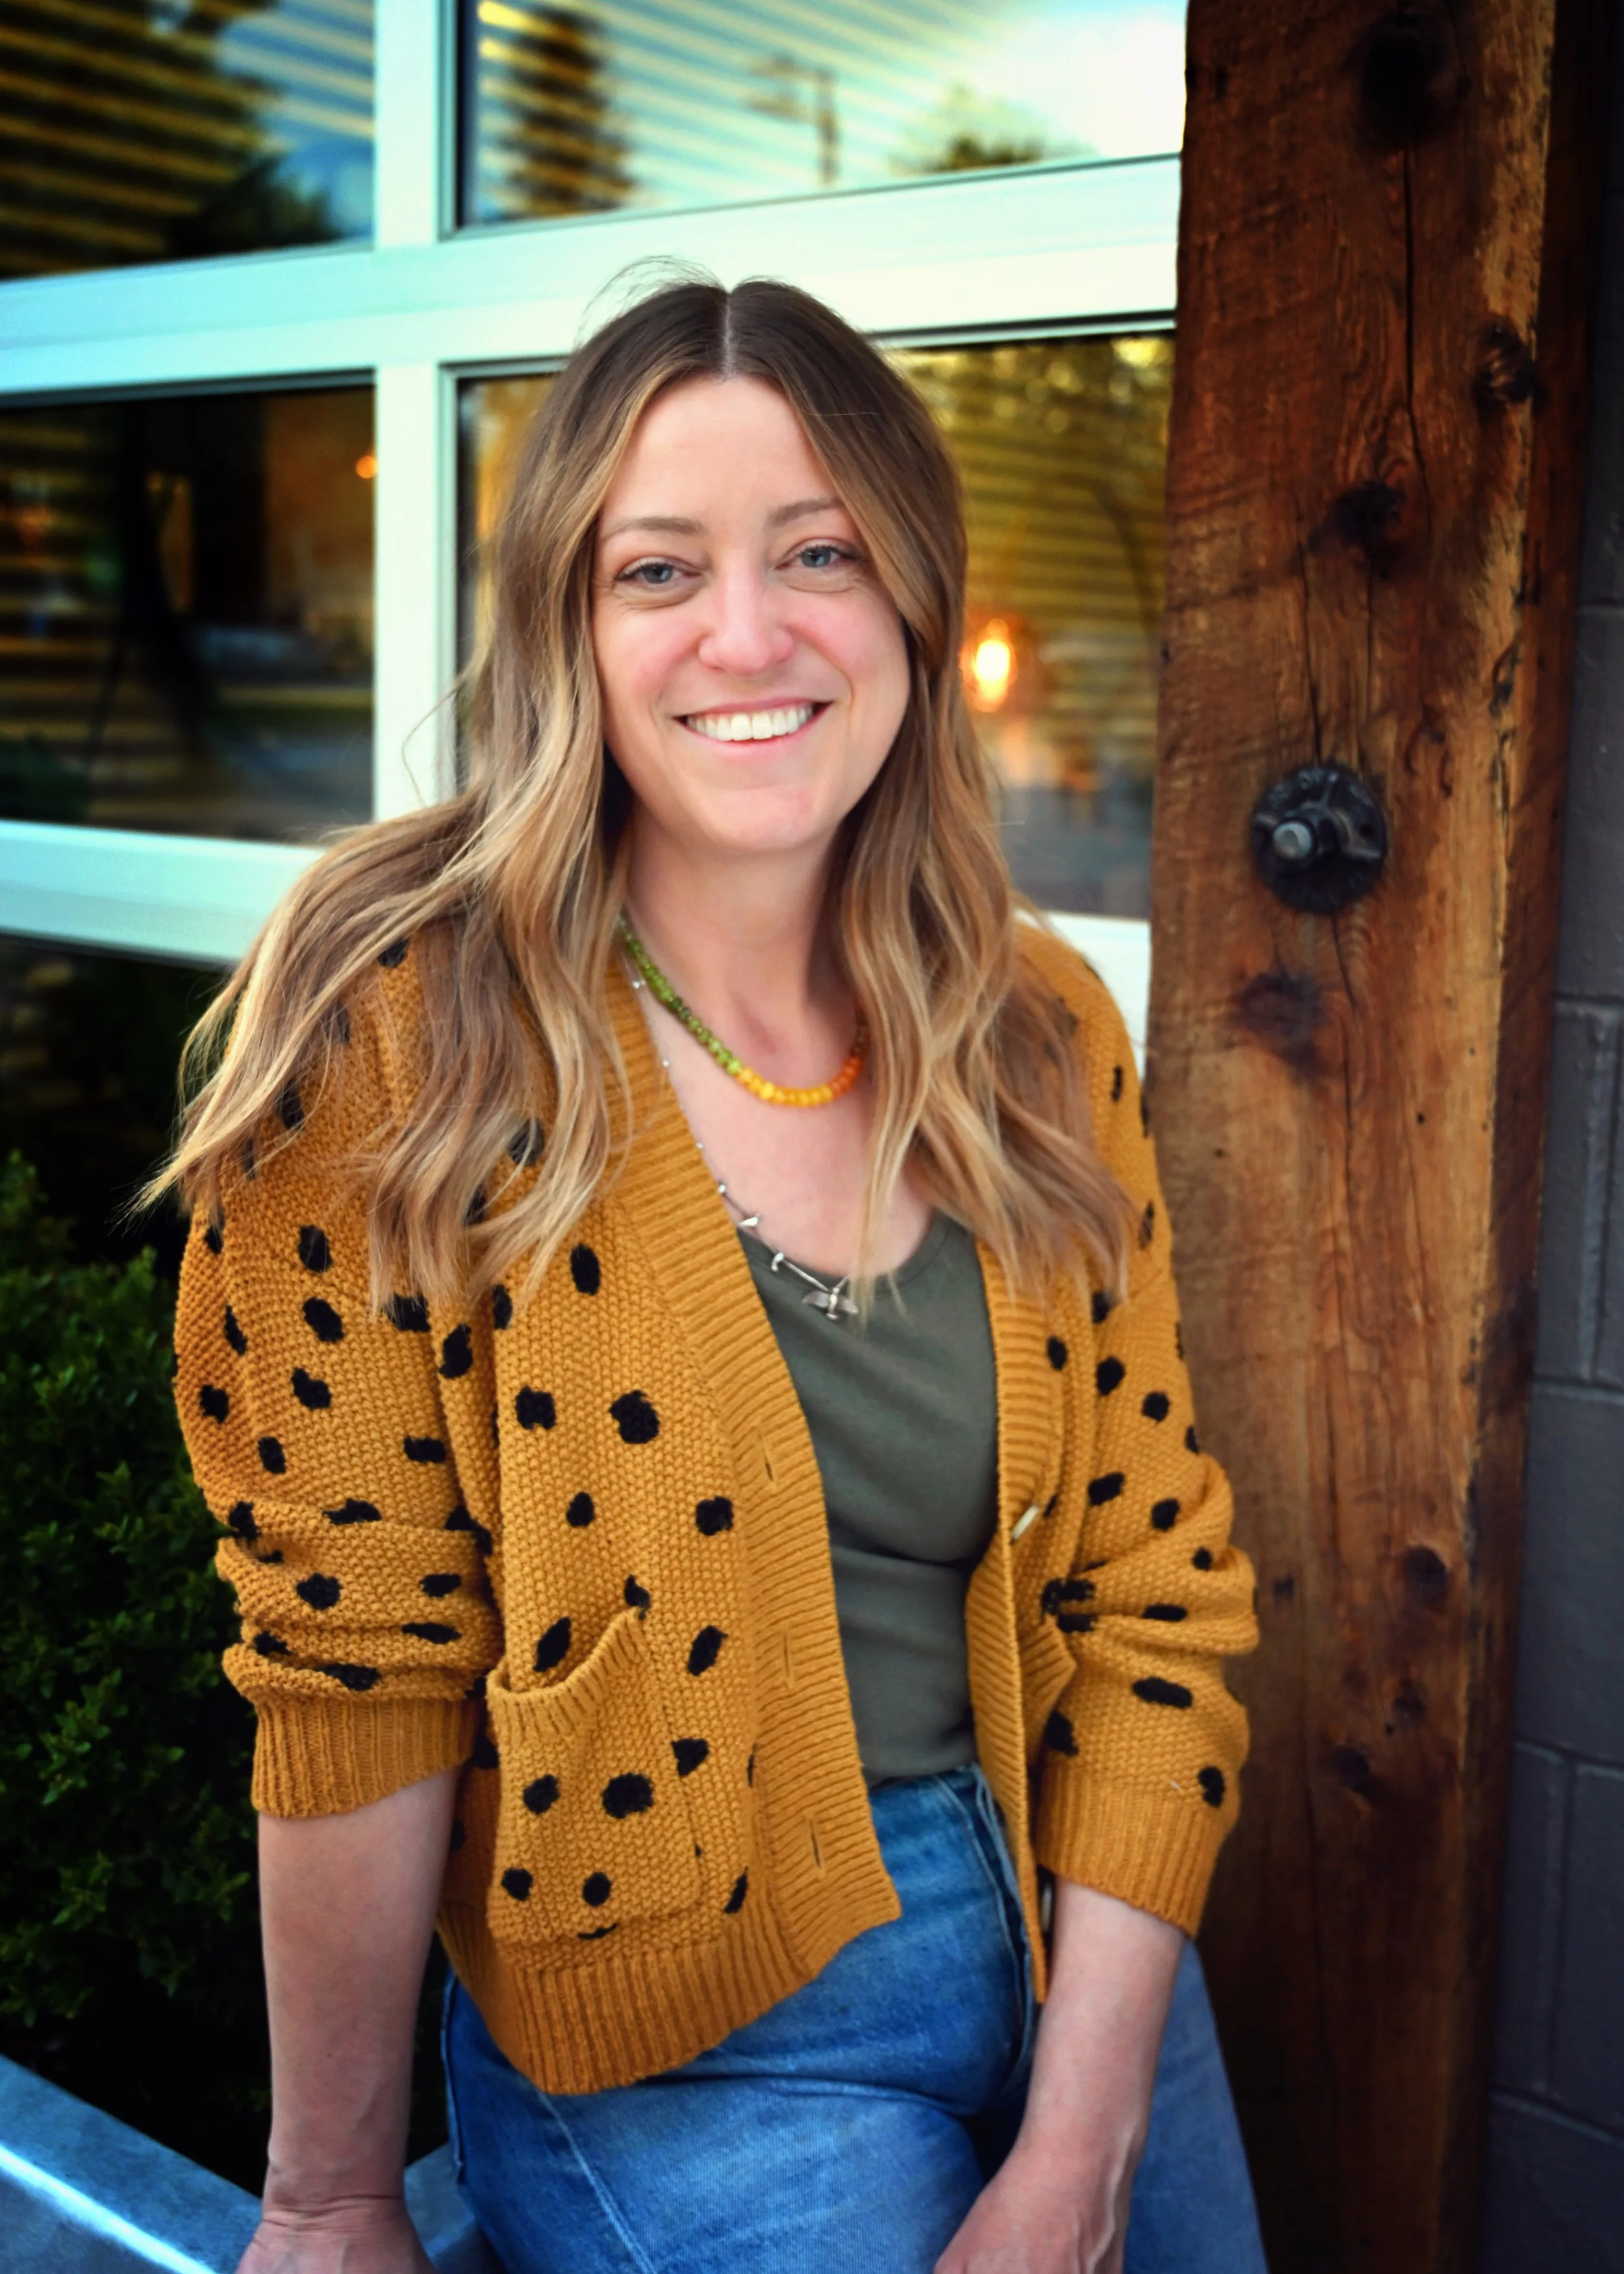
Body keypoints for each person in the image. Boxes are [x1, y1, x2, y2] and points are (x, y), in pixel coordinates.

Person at [164, 276, 1265, 2274]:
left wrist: (1086, 2134)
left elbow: (1156, 1599)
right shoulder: (405, 1035)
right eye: (655, 566)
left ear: (917, 605)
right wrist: (327, 2193)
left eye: (819, 554)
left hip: (1074, 1938)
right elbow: (357, 1664)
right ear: (567, 630)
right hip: (690, 2044)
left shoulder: (1036, 1025)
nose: (746, 637)